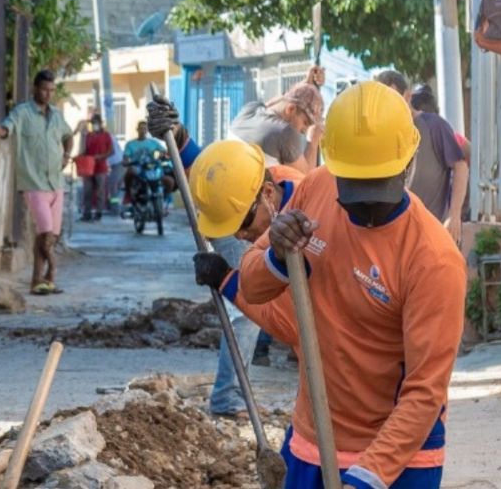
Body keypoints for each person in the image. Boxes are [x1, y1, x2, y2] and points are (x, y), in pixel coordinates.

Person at [195, 81, 466, 489]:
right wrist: (276, 258)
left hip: (400, 459)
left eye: (378, 187)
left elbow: (425, 392)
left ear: (408, 163)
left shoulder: (434, 260)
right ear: (333, 165)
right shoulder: (316, 188)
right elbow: (255, 287)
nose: (363, 205)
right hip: (312, 441)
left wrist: (367, 478)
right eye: (353, 186)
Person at [188, 140, 304, 419]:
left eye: (242, 226)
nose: (239, 236)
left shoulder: (304, 221)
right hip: (242, 208)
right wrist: (181, 141)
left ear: (268, 193)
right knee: (249, 309)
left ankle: (228, 394)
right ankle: (228, 396)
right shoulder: (271, 190)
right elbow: (211, 171)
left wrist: (226, 280)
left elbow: (288, 326)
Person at [0, 70, 74, 295]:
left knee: (48, 235)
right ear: (35, 88)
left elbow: (68, 136)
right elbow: (5, 130)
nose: (48, 94)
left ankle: (37, 281)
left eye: (52, 90)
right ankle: (52, 270)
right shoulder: (22, 113)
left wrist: (66, 156)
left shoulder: (56, 115)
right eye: (44, 89)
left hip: (56, 183)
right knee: (45, 234)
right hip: (33, 183)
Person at [375, 71, 468, 245]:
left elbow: (461, 166)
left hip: (430, 236)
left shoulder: (433, 125)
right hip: (395, 236)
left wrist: (454, 215)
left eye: (393, 98)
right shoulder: (384, 135)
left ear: (408, 96)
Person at [228, 71, 325, 173]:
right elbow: (306, 182)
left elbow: (279, 102)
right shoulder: (285, 133)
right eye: (305, 123)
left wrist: (303, 85)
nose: (304, 131)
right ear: (291, 109)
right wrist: (313, 141)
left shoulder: (249, 110)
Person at [122, 120, 176, 202]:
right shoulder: (130, 144)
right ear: (137, 129)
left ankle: (165, 199)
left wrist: (163, 155)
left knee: (170, 181)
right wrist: (126, 161)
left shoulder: (153, 142)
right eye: (141, 128)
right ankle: (128, 194)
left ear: (147, 130)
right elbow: (126, 157)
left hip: (152, 169)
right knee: (130, 172)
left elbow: (164, 152)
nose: (142, 130)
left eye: (144, 128)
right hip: (138, 169)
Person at [77, 113, 115, 221]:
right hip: (89, 167)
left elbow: (111, 151)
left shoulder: (106, 135)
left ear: (100, 123)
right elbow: (84, 150)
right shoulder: (88, 136)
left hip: (101, 167)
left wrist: (101, 156)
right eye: (93, 123)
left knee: (100, 191)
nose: (94, 125)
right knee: (87, 191)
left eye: (96, 123)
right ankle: (87, 213)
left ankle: (98, 212)